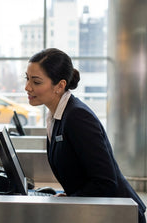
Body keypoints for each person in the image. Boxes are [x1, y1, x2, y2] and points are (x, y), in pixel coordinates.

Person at [25, 48, 146, 223]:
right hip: (99, 210)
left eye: (36, 82)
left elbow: (105, 181)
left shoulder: (77, 117)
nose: (27, 87)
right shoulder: (56, 115)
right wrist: (70, 195)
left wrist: (72, 199)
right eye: (27, 78)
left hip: (119, 214)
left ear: (60, 85)